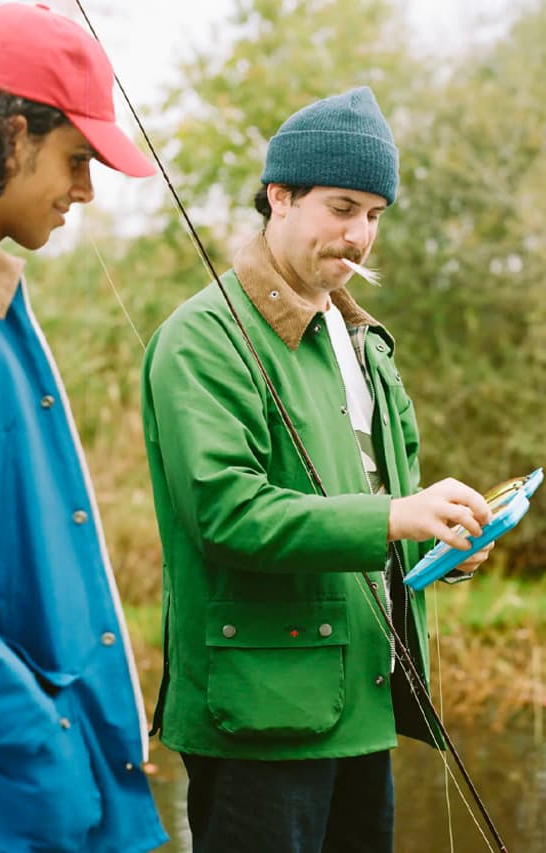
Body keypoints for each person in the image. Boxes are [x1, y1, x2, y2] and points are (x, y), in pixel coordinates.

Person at [142, 86, 492, 853]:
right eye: (341, 207)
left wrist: (448, 539)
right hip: (258, 716)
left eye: (374, 214)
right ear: (280, 195)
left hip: (364, 703)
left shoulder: (366, 342)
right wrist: (395, 517)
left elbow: (386, 502)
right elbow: (227, 513)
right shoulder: (201, 339)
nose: (360, 235)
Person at [0, 4, 168, 851]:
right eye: (78, 159)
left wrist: (100, 724)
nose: (87, 191)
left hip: (52, 797)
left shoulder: (1, 306)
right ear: (12, 136)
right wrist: (49, 748)